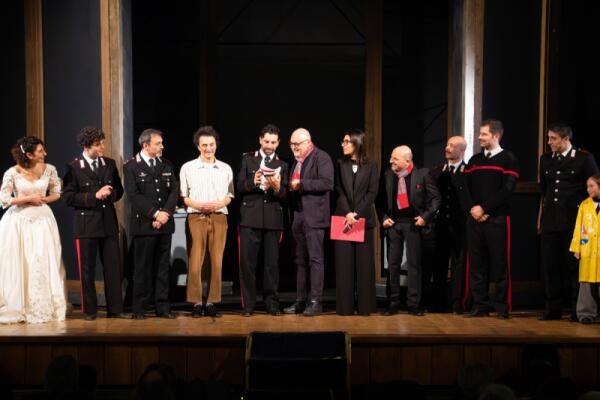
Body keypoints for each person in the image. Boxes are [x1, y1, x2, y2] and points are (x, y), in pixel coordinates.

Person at [62, 126, 129, 320]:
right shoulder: (73, 167)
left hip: (108, 223)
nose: (102, 147)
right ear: (86, 146)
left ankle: (115, 309)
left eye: (102, 143)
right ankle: (90, 311)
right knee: (87, 270)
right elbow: (68, 197)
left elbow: (119, 190)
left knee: (113, 269)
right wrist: (95, 196)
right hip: (86, 225)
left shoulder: (109, 163)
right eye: (98, 144)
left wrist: (111, 194)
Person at [0, 136, 66, 324]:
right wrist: (28, 199)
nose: (44, 153)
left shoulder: (49, 169)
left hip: (43, 220)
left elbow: (57, 193)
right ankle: (19, 305)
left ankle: (43, 304)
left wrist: (44, 199)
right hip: (19, 221)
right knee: (21, 260)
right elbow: (4, 199)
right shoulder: (12, 172)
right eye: (40, 151)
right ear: (28, 155)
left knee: (42, 259)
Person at [457, 119, 519, 319]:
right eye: (480, 133)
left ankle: (502, 307)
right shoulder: (474, 160)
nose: (479, 137)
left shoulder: (508, 158)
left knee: (500, 264)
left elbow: (507, 189)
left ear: (496, 136)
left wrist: (484, 208)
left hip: (497, 219)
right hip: (474, 219)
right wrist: (473, 209)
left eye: (484, 134)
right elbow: (464, 189)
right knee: (477, 264)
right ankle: (480, 305)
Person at [539, 123, 598, 321]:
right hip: (551, 221)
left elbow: (594, 186)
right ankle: (552, 308)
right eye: (549, 138)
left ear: (565, 139)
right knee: (550, 265)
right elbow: (545, 189)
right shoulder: (545, 159)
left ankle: (576, 309)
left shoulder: (583, 158)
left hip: (574, 221)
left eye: (553, 138)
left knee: (574, 266)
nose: (549, 142)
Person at [376, 145, 441, 316]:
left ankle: (413, 303)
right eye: (391, 157)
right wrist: (383, 218)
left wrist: (425, 217)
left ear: (407, 161)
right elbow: (379, 200)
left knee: (414, 264)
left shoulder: (422, 174)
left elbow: (436, 199)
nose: (390, 161)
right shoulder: (388, 175)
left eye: (395, 158)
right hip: (394, 224)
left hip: (414, 224)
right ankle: (393, 302)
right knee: (393, 264)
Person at [124, 129, 179, 320]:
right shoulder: (131, 166)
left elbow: (174, 191)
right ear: (146, 145)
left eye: (161, 142)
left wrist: (165, 214)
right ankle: (139, 308)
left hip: (164, 224)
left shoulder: (166, 164)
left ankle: (162, 307)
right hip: (144, 225)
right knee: (142, 269)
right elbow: (134, 195)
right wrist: (155, 214)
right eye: (158, 143)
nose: (162, 146)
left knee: (163, 268)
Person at [179, 126, 234, 318]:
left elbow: (230, 195)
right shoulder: (188, 167)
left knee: (216, 260)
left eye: (211, 144)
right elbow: (184, 197)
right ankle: (196, 301)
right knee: (195, 260)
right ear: (198, 146)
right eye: (204, 145)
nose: (208, 148)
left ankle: (211, 301)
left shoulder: (225, 168)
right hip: (196, 216)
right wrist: (199, 205)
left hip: (219, 216)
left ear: (216, 145)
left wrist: (219, 203)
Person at [237, 124, 288, 316]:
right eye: (266, 141)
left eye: (273, 142)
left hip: (273, 219)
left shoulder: (283, 164)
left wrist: (277, 187)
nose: (269, 145)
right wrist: (254, 181)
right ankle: (249, 305)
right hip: (250, 217)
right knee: (247, 264)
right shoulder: (248, 159)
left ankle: (272, 303)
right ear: (260, 140)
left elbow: (286, 194)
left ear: (278, 143)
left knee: (271, 265)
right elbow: (239, 186)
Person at [283, 128, 334, 317]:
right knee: (300, 261)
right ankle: (300, 301)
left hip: (314, 217)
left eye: (297, 144)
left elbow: (327, 183)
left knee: (315, 259)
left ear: (308, 142)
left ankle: (316, 302)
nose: (294, 147)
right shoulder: (295, 161)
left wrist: (301, 184)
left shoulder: (321, 157)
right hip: (298, 215)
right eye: (291, 144)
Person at [333, 129, 378, 316]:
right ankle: (345, 308)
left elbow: (372, 193)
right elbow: (339, 190)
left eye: (347, 141)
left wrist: (357, 214)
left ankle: (365, 307)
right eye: (343, 141)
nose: (343, 145)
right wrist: (348, 213)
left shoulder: (371, 165)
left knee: (364, 266)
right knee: (343, 266)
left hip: (363, 218)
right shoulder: (340, 164)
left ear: (357, 143)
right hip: (343, 219)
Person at [427, 136, 469, 314]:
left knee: (459, 265)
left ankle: (457, 303)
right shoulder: (437, 171)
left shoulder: (468, 171)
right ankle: (437, 303)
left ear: (462, 150)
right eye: (447, 145)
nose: (447, 148)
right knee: (439, 264)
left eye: (452, 146)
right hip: (441, 225)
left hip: (460, 226)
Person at [569, 173, 600, 324]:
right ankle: (586, 313)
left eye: (592, 186)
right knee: (586, 282)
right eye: (587, 186)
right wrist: (577, 248)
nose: (588, 189)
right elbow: (578, 227)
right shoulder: (584, 205)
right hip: (588, 249)